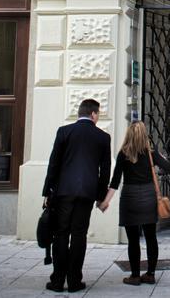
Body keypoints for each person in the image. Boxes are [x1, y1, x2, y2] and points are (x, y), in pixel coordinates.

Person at [42, 99, 111, 293]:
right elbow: (104, 170)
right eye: (98, 115)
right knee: (79, 235)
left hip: (63, 192)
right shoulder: (103, 137)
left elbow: (53, 163)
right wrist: (100, 195)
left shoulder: (64, 132)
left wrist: (47, 191)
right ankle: (74, 281)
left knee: (61, 234)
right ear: (93, 114)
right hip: (87, 193)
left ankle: (57, 281)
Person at [100, 121, 170, 286]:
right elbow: (169, 168)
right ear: (144, 135)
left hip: (130, 198)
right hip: (148, 196)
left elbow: (115, 182)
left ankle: (134, 275)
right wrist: (159, 158)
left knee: (133, 239)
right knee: (150, 237)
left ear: (129, 135)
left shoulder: (123, 154)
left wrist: (106, 201)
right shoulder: (151, 154)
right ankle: (151, 274)